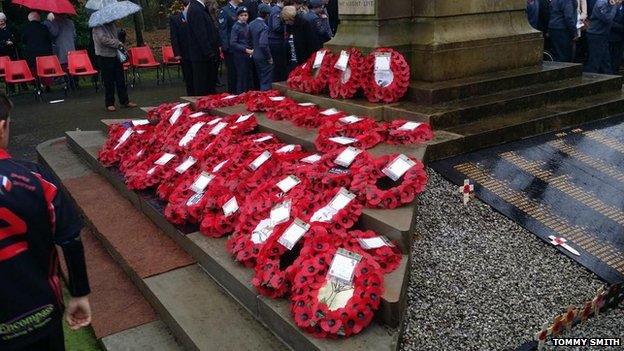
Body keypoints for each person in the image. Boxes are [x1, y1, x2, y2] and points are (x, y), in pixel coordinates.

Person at [0, 93, 92, 351]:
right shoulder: (36, 179)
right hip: (38, 315)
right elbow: (70, 238)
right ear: (3, 126)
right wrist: (80, 292)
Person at [92, 21, 137, 111]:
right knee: (108, 80)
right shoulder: (97, 27)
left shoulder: (112, 24)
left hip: (115, 54)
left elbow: (116, 36)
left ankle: (124, 101)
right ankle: (109, 103)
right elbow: (102, 39)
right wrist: (117, 43)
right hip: (104, 55)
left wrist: (120, 38)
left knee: (120, 79)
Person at [187, 0, 221, 95]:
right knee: (203, 87)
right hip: (203, 57)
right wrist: (209, 53)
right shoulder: (196, 9)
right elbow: (201, 34)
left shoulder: (200, 8)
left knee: (209, 86)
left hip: (206, 55)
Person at [586, 0, 621, 73]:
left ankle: (609, 79)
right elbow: (608, 19)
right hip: (596, 35)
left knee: (605, 60)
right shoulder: (601, 3)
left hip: (603, 35)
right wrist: (614, 6)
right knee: (595, 60)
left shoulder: (608, 2)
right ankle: (590, 78)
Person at [170, 0, 194, 95]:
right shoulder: (175, 19)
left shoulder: (195, 15)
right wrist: (177, 53)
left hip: (196, 50)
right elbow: (174, 37)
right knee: (188, 76)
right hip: (184, 52)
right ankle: (191, 95)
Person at [219, 0, 243, 93]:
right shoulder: (225, 11)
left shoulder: (241, 9)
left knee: (241, 72)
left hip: (241, 46)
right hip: (231, 48)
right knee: (233, 73)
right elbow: (223, 30)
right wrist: (226, 47)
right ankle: (233, 94)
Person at [249, 4, 273, 90]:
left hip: (255, 54)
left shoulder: (251, 24)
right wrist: (269, 57)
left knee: (260, 78)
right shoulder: (264, 27)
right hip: (263, 56)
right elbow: (263, 44)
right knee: (266, 80)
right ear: (267, 15)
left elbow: (248, 39)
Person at [230, 6, 252, 93]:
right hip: (240, 55)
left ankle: (247, 93)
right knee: (241, 76)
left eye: (246, 15)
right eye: (241, 15)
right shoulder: (236, 27)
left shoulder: (247, 25)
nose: (244, 17)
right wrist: (245, 49)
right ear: (238, 16)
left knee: (247, 75)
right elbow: (233, 43)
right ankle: (240, 94)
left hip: (248, 54)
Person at [268, 0, 287, 82]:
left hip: (276, 40)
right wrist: (286, 28)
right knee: (278, 65)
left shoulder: (276, 9)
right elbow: (276, 27)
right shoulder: (277, 11)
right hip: (276, 41)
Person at [609, 2, 624, 73]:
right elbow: (609, 21)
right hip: (611, 36)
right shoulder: (611, 5)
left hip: (620, 37)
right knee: (611, 57)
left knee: (618, 57)